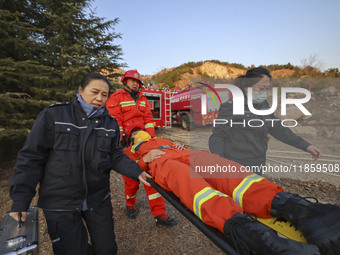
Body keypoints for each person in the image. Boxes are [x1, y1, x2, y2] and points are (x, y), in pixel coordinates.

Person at [125, 130, 340, 255]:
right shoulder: (131, 150)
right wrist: (143, 160)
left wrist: (175, 146)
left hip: (181, 152)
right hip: (161, 163)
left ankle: (298, 209)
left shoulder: (160, 138)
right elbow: (127, 170)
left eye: (140, 131)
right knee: (189, 183)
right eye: (135, 134)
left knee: (223, 169)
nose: (138, 133)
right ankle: (251, 234)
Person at [8, 73, 151, 255]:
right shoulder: (54, 115)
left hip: (98, 199)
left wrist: (136, 171)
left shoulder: (110, 124)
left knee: (107, 249)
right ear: (81, 90)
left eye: (104, 95)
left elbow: (115, 155)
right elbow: (31, 158)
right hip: (61, 203)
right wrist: (21, 201)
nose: (99, 98)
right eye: (95, 92)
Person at [209, 67, 321, 174]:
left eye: (267, 89)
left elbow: (278, 128)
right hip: (235, 163)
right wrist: (219, 162)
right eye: (261, 89)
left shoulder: (264, 106)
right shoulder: (231, 107)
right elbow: (218, 136)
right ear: (247, 88)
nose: (264, 93)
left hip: (258, 163)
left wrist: (305, 146)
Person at [106, 69, 177, 226]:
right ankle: (130, 204)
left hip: (144, 143)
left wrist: (150, 140)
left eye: (138, 82)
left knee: (153, 179)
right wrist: (122, 140)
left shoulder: (143, 99)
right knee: (132, 180)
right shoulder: (116, 98)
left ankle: (160, 215)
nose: (136, 84)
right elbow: (114, 120)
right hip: (128, 145)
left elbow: (148, 120)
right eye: (132, 81)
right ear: (124, 81)